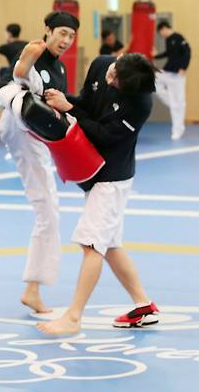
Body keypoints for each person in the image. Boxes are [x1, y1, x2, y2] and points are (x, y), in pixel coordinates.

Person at [39, 53, 159, 334]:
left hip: (113, 178)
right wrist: (65, 100)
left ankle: (73, 317)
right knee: (110, 246)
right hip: (94, 172)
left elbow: (103, 134)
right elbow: (88, 103)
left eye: (116, 82)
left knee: (92, 245)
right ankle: (143, 305)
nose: (110, 79)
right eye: (114, 71)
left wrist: (70, 109)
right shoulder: (102, 64)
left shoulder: (139, 103)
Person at [0, 11, 79, 314]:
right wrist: (27, 60)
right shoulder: (36, 51)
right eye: (62, 33)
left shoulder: (59, 69)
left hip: (27, 126)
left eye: (71, 36)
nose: (67, 40)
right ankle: (33, 289)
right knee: (48, 212)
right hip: (21, 124)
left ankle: (34, 288)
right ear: (48, 30)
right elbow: (20, 73)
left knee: (48, 210)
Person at [154, 20, 192, 140]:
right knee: (154, 81)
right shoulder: (168, 40)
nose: (161, 35)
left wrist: (183, 67)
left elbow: (187, 52)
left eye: (160, 32)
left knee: (179, 102)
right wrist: (155, 55)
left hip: (177, 74)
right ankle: (172, 103)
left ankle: (178, 130)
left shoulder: (178, 37)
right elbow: (168, 53)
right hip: (167, 71)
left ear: (164, 28)